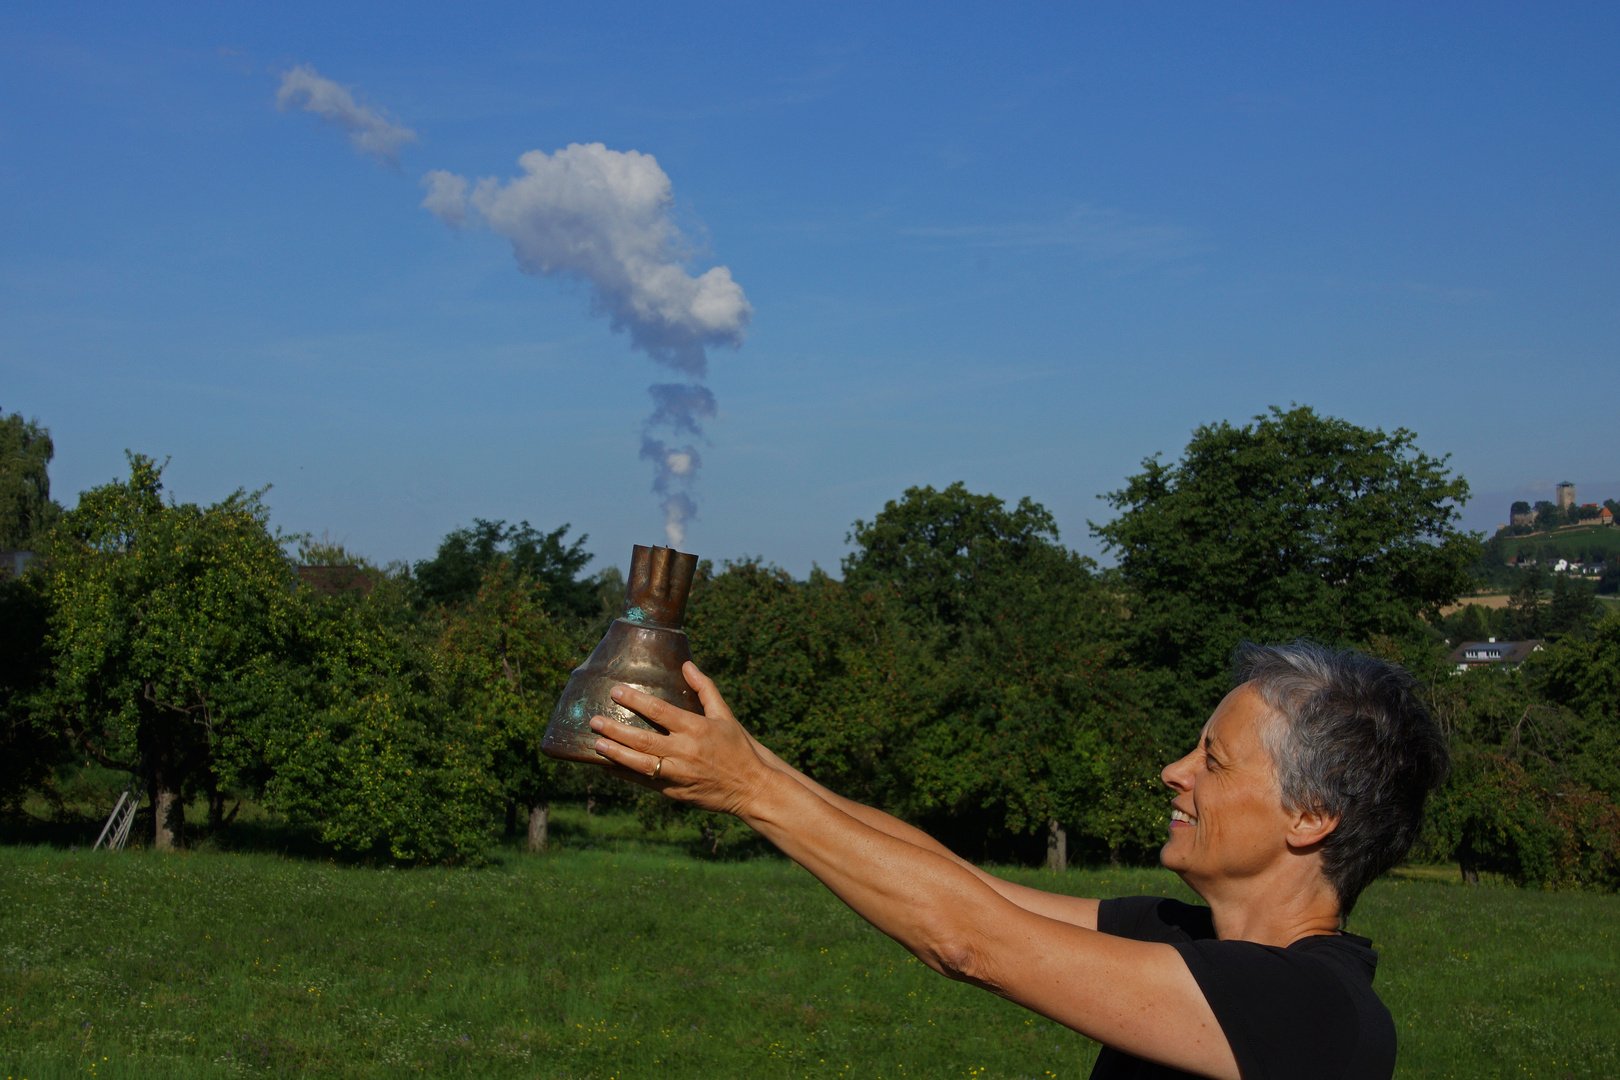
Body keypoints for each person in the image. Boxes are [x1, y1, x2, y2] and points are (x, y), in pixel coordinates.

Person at [589, 641, 1450, 1080]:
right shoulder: (1179, 937)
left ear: (1312, 817)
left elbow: (972, 942)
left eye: (1212, 760)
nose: (1174, 772)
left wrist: (750, 793)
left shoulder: (1314, 1010)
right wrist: (748, 763)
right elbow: (963, 887)